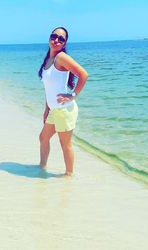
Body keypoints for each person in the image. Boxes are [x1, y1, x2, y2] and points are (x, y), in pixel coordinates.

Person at [38, 27, 88, 176]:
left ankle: (69, 175)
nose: (56, 40)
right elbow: (49, 88)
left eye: (61, 39)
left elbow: (83, 74)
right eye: (54, 36)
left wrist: (72, 95)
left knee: (65, 145)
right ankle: (42, 167)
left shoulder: (61, 58)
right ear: (49, 38)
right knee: (43, 138)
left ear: (65, 43)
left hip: (65, 110)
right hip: (54, 109)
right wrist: (47, 108)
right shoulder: (48, 59)